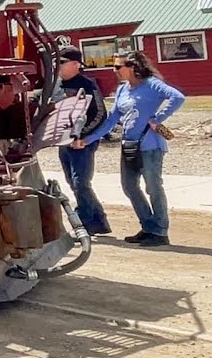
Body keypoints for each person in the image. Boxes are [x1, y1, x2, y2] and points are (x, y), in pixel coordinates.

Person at [73, 50, 185, 246]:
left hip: (150, 146)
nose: (114, 70)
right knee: (129, 186)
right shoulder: (122, 90)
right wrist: (88, 139)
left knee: (153, 187)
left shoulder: (151, 84)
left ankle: (160, 231)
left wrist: (158, 119)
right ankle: (148, 226)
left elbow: (177, 97)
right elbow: (112, 120)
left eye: (118, 66)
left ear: (133, 67)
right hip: (129, 145)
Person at [53, 47, 111, 235]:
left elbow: (100, 114)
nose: (58, 66)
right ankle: (99, 219)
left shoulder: (87, 84)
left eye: (62, 62)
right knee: (72, 182)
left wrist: (82, 136)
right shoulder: (56, 85)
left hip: (83, 142)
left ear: (76, 64)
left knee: (81, 182)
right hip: (63, 141)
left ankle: (84, 222)